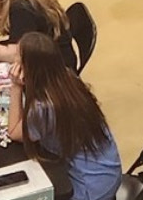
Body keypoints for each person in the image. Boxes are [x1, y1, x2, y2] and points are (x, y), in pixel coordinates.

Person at [8, 33, 122, 200]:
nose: (14, 63)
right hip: (108, 173)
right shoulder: (68, 78)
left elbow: (14, 132)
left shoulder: (43, 107)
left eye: (18, 61)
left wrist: (15, 87)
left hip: (91, 189)